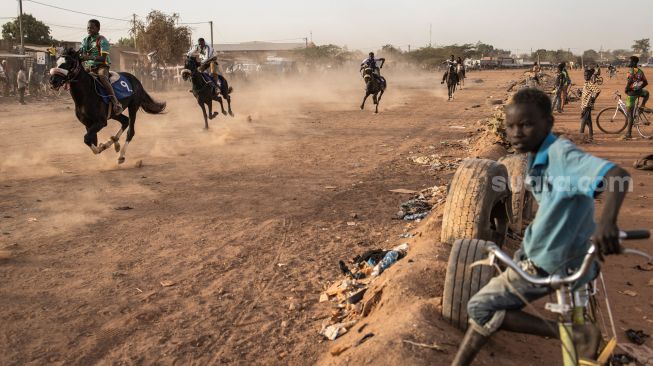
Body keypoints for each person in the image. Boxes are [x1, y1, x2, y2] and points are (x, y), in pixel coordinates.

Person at [452, 88, 631, 366]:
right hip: (568, 256)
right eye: (510, 126)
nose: (516, 133)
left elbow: (618, 175)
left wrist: (607, 223)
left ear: (548, 122)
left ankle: (569, 332)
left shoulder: (561, 154)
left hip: (551, 261)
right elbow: (579, 191)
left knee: (480, 306)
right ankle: (577, 335)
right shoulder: (541, 156)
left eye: (526, 124)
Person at [80, 19, 123, 114]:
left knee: (103, 77)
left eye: (92, 27)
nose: (89, 29)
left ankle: (116, 103)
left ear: (98, 29)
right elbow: (81, 54)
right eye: (88, 27)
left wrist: (88, 57)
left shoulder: (102, 40)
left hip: (102, 66)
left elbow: (103, 58)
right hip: (88, 67)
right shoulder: (84, 40)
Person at [624, 56, 651, 139]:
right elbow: (645, 82)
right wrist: (638, 87)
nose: (628, 63)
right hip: (639, 92)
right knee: (646, 93)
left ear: (634, 63)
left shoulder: (631, 71)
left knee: (629, 115)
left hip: (632, 94)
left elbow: (630, 81)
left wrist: (626, 89)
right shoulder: (640, 71)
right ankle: (642, 105)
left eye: (630, 61)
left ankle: (628, 134)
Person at [580, 66, 601, 141]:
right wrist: (580, 93)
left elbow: (598, 90)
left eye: (587, 75)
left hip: (587, 105)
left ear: (591, 76)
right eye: (585, 75)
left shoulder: (589, 83)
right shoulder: (586, 83)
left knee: (583, 120)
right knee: (589, 122)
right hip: (584, 104)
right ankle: (591, 136)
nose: (586, 76)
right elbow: (587, 93)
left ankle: (581, 136)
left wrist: (593, 98)